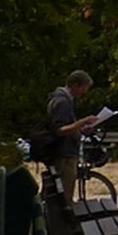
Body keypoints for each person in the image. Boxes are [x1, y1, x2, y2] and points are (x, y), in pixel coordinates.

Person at [40, 70, 102, 202]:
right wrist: (82, 122)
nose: (84, 92)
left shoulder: (65, 100)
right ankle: (63, 214)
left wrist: (80, 129)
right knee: (65, 195)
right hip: (64, 155)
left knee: (64, 193)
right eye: (84, 88)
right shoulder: (62, 102)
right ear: (75, 85)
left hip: (67, 152)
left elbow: (68, 126)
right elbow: (60, 130)